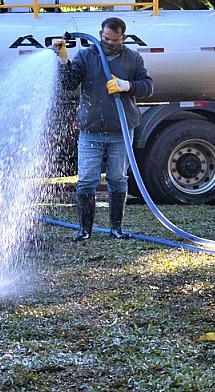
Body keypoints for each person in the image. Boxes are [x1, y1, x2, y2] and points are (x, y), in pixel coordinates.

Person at [58, 17, 154, 241]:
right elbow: (69, 83)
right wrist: (64, 61)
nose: (109, 43)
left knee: (118, 178)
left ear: (123, 38)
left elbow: (148, 87)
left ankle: (116, 229)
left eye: (114, 40)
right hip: (90, 130)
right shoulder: (87, 55)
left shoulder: (133, 59)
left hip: (121, 130)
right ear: (100, 34)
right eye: (105, 39)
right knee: (87, 180)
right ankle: (84, 230)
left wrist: (127, 85)